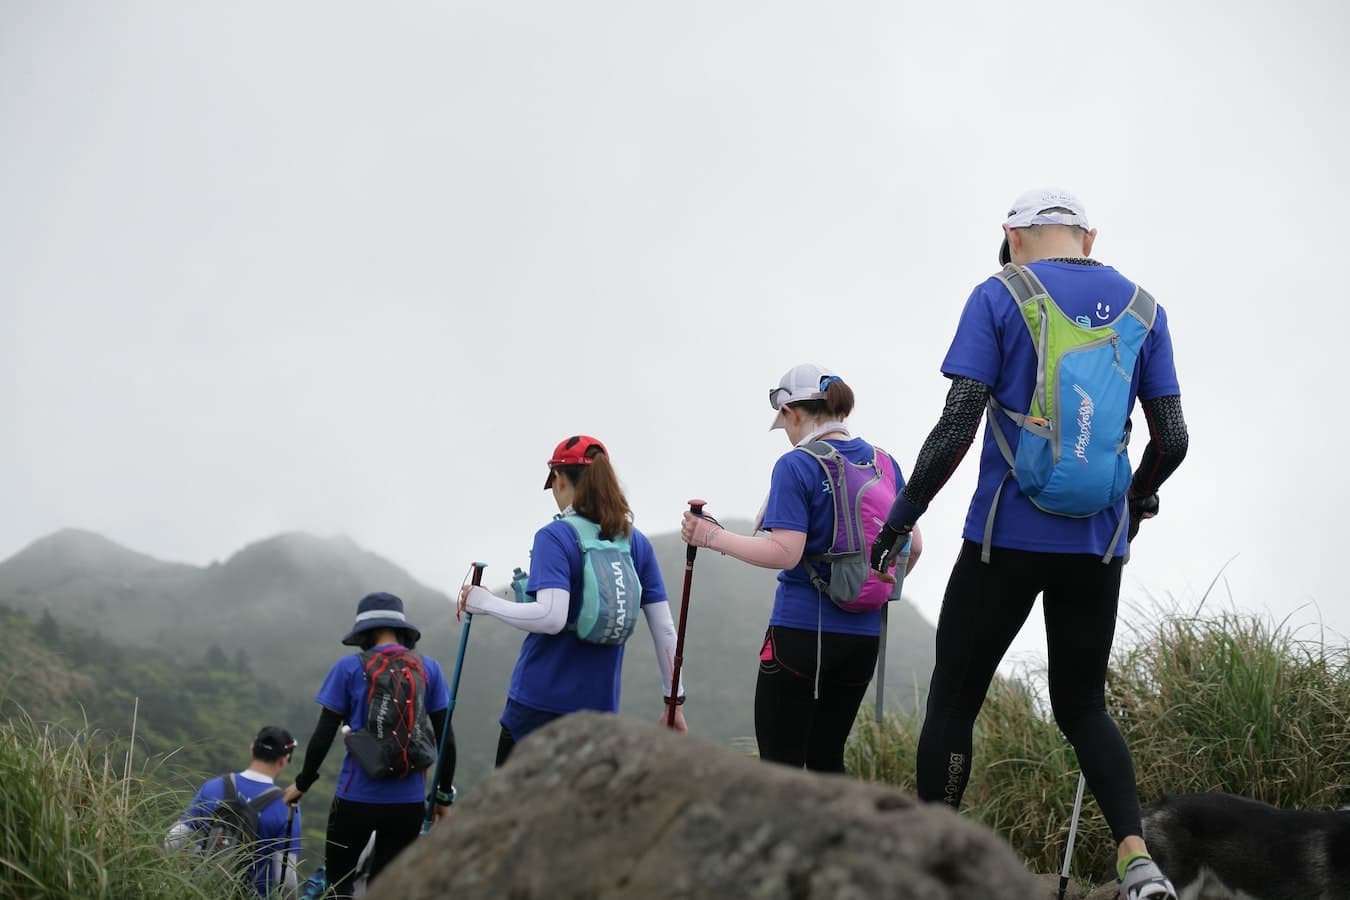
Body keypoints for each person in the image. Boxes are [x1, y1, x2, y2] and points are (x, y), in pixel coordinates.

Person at [868, 188, 1189, 900]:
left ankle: (935, 865)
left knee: (955, 701)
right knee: (1084, 706)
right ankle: (1138, 862)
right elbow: (1173, 438)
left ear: (1012, 237)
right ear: (1089, 237)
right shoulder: (1146, 310)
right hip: (1097, 545)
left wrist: (902, 517)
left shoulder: (999, 294)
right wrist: (1135, 501)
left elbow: (957, 425)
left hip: (1002, 539)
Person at [679, 363, 922, 773]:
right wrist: (867, 586)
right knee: (828, 759)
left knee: (780, 768)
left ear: (792, 413)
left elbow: (785, 552)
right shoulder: (885, 463)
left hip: (802, 632)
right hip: (863, 639)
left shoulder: (796, 464)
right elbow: (914, 546)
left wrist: (710, 536)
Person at [457, 434, 686, 766]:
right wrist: (673, 703)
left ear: (560, 479)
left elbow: (551, 616)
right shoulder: (634, 542)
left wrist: (485, 603)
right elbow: (665, 630)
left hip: (536, 707)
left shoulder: (555, 536)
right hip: (599, 712)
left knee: (515, 800)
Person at [282, 592, 454, 899]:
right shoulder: (429, 668)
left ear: (364, 631)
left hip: (355, 797)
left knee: (338, 885)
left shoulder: (348, 668)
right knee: (387, 890)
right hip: (409, 801)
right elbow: (446, 738)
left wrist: (302, 783)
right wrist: (442, 795)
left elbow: (323, 735)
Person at [166, 725, 301, 898]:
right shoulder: (286, 807)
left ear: (251, 749)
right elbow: (287, 881)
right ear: (283, 760)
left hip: (201, 893)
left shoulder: (213, 787)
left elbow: (172, 841)